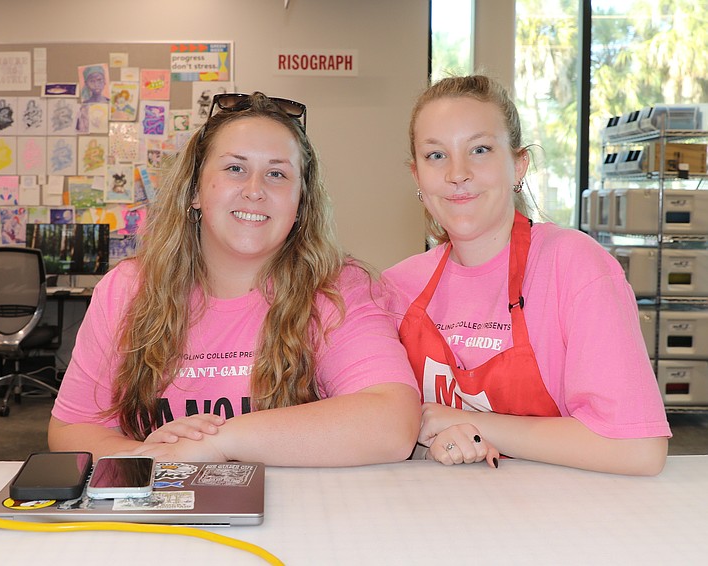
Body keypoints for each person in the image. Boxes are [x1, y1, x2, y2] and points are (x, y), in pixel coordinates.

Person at [49, 92, 421, 465]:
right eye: (235, 168)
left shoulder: (338, 289)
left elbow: (392, 423)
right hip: (162, 514)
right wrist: (152, 457)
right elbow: (71, 429)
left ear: (300, 205)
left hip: (298, 516)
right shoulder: (128, 288)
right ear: (194, 190)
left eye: (276, 174)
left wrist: (218, 443)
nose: (255, 190)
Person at [383, 75, 670, 476]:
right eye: (436, 156)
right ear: (417, 177)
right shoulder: (393, 290)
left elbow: (639, 450)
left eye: (479, 149)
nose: (457, 173)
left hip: (559, 522)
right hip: (441, 518)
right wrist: (427, 446)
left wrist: (474, 425)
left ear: (518, 165)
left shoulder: (574, 266)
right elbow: (379, 433)